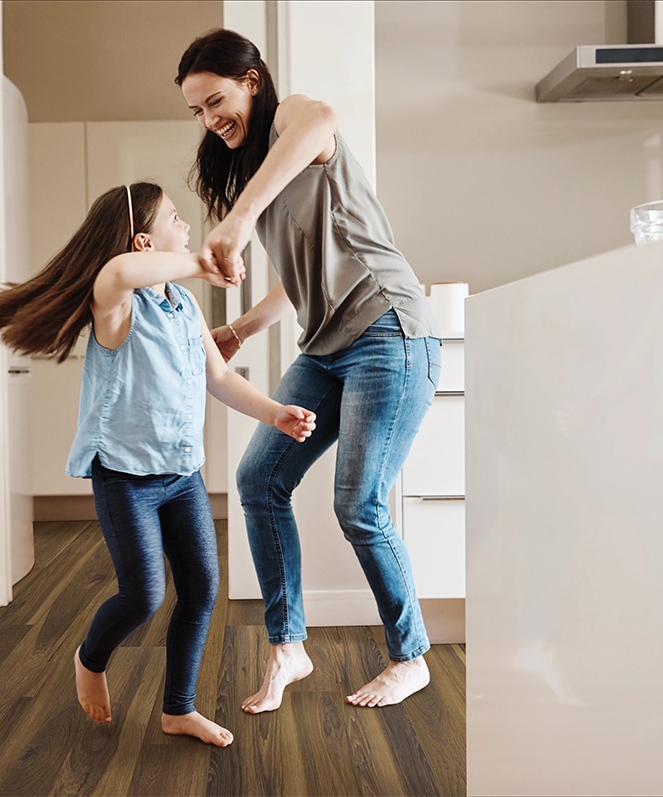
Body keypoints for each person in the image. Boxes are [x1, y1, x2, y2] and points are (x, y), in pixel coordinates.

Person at [0, 181, 316, 746]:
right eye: (177, 219)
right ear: (144, 242)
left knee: (200, 588)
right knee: (144, 594)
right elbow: (118, 272)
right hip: (124, 476)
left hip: (181, 475)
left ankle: (178, 709)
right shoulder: (117, 305)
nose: (189, 227)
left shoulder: (183, 304)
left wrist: (275, 415)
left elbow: (218, 377)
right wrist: (200, 262)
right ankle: (90, 659)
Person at [176, 29, 442, 712]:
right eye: (198, 112)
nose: (211, 120)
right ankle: (288, 647)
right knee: (258, 478)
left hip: (387, 329)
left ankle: (410, 656)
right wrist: (238, 327)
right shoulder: (254, 167)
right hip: (325, 344)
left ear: (252, 81)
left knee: (359, 503)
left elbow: (324, 118)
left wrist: (236, 222)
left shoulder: (295, 118)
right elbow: (301, 279)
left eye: (216, 101)